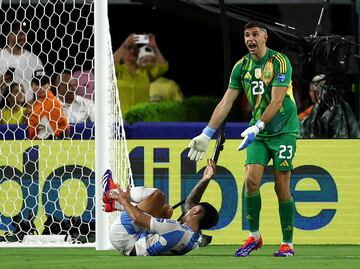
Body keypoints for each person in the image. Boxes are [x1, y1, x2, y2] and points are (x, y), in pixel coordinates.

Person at [187, 21, 299, 257]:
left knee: (281, 187)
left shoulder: (279, 61)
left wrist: (258, 125)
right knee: (250, 181)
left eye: (255, 34)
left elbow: (277, 101)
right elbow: (226, 102)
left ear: (264, 38)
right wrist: (207, 133)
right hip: (257, 133)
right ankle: (254, 237)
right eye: (247, 35)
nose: (250, 38)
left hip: (284, 131)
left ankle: (287, 243)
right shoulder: (241, 67)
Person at [102, 159, 219, 256]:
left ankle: (112, 193)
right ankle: (114, 204)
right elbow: (191, 202)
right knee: (167, 211)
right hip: (133, 244)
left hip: (122, 236)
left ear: (196, 211)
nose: (187, 209)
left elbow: (138, 218)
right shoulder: (192, 235)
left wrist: (124, 200)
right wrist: (205, 179)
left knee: (158, 196)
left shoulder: (174, 229)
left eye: (194, 208)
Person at [113, 33, 168, 115]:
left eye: (135, 49)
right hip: (120, 120)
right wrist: (125, 44)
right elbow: (108, 65)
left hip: (141, 120)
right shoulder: (118, 70)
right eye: (129, 48)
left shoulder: (145, 71)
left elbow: (163, 67)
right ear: (123, 54)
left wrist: (154, 47)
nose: (133, 51)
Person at [0, 20, 44, 105]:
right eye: (17, 33)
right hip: (3, 111)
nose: (21, 35)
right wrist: (1, 81)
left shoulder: (34, 60)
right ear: (8, 35)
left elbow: (43, 88)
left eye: (23, 33)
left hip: (27, 110)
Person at [28, 70, 69, 139]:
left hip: (49, 144)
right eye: (37, 83)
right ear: (32, 86)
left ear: (50, 85)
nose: (40, 87)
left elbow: (65, 128)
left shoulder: (52, 103)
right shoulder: (37, 103)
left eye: (43, 83)